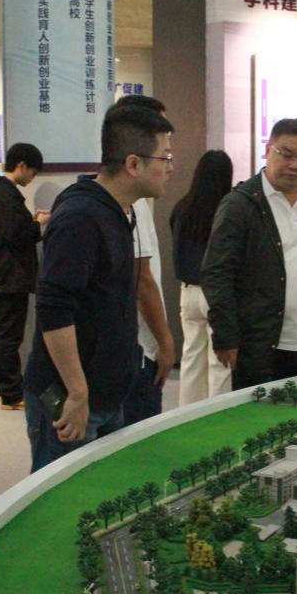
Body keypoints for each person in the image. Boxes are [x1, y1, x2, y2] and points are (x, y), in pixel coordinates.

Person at [22, 105, 174, 471]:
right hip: (71, 397)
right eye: (165, 158)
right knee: (63, 496)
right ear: (133, 164)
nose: (170, 168)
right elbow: (54, 308)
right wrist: (77, 392)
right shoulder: (81, 217)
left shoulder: (119, 211)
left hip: (105, 393)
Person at [202, 117, 297, 390]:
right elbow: (217, 272)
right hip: (261, 345)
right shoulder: (240, 204)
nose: (294, 165)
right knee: (261, 415)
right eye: (286, 155)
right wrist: (225, 335)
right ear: (268, 150)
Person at [108, 94, 176, 428]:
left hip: (129, 345)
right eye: (164, 152)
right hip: (136, 347)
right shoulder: (128, 203)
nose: (169, 165)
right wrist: (165, 342)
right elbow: (142, 280)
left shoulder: (130, 200)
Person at [0, 142, 48, 410]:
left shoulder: (4, 193)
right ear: (21, 165)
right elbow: (17, 236)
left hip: (7, 276)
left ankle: (9, 391)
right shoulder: (6, 195)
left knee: (7, 334)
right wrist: (38, 224)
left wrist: (31, 222)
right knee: (9, 336)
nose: (32, 178)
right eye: (33, 172)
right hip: (9, 277)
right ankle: (10, 393)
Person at [170, 149, 234, 405]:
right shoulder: (227, 209)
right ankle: (219, 416)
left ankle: (187, 414)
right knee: (220, 362)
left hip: (188, 292)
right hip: (217, 293)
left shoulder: (181, 208)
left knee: (191, 357)